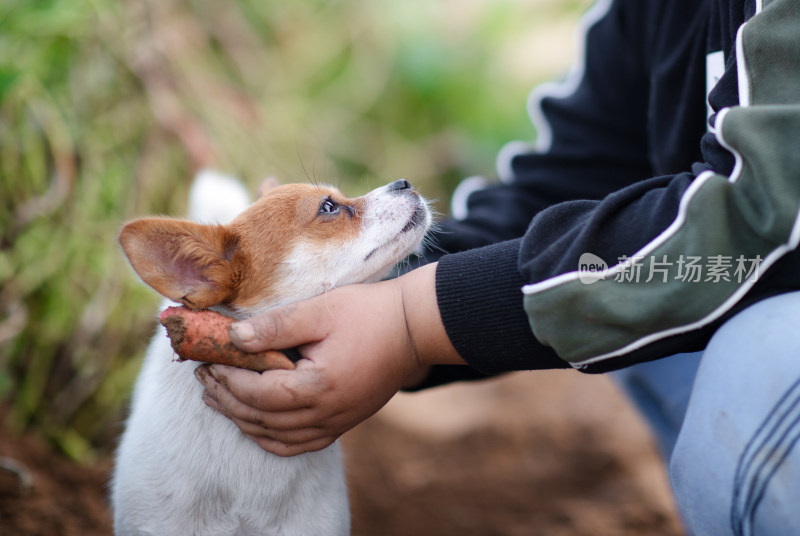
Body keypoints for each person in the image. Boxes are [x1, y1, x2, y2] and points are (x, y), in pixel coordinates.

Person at [196, 0, 800, 533]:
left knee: (750, 355)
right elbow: (567, 181)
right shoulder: (645, 15)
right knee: (632, 299)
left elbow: (760, 210)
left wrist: (411, 321)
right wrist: (373, 315)